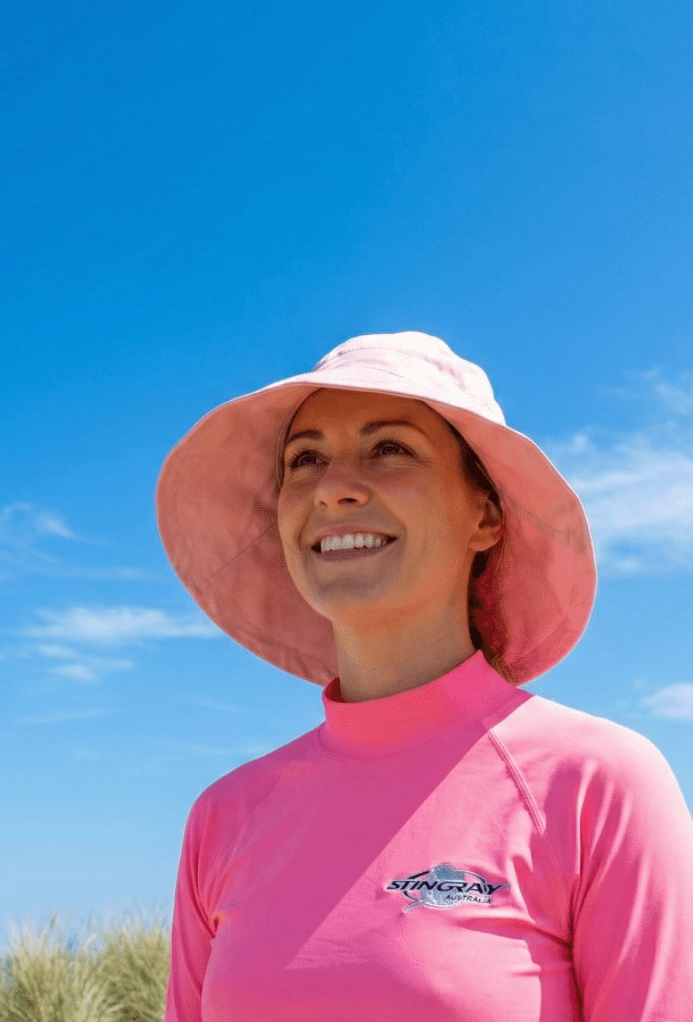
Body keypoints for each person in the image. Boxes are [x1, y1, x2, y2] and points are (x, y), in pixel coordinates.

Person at [155, 332, 693, 1022]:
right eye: (306, 459)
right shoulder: (223, 819)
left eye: (390, 449)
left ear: (486, 514)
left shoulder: (596, 786)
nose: (334, 489)